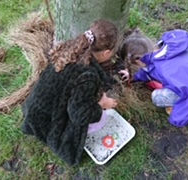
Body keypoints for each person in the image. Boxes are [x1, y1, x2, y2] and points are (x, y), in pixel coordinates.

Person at [20, 19, 119, 166]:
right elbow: (79, 115)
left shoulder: (71, 48)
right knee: (101, 119)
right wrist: (102, 105)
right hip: (47, 123)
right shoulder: (88, 76)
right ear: (106, 53)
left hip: (34, 109)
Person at [120, 29, 188, 127]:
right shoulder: (163, 50)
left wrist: (177, 118)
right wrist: (134, 77)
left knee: (157, 97)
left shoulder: (168, 71)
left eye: (135, 66)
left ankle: (178, 104)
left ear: (139, 59)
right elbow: (150, 69)